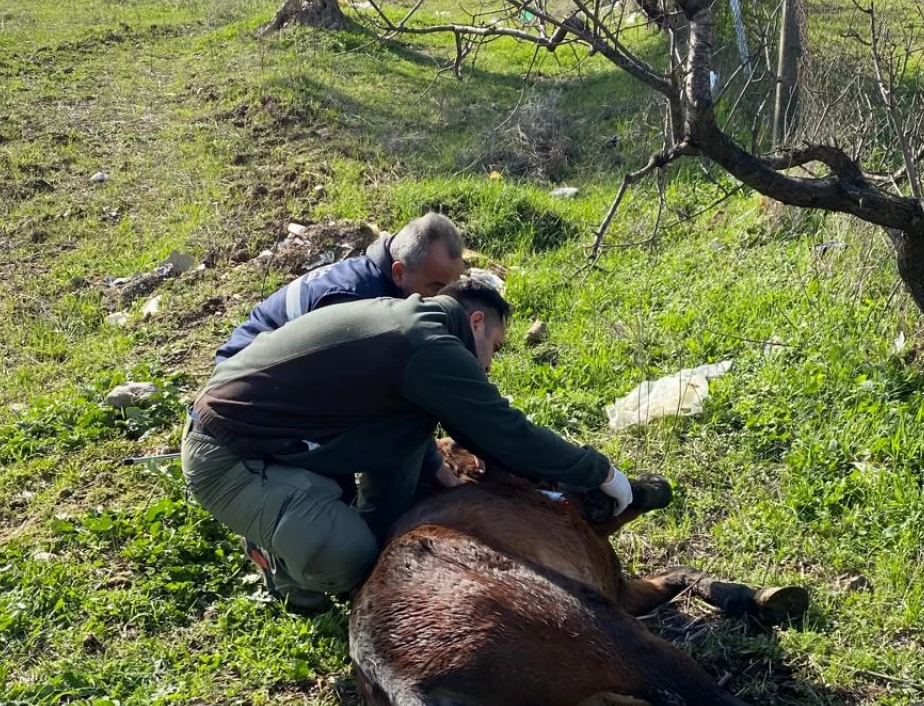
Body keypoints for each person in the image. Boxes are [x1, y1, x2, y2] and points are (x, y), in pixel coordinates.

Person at [183, 277, 633, 610]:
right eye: (494, 347)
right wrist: (601, 473)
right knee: (351, 557)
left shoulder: (410, 323)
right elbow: (505, 432)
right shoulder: (425, 341)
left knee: (391, 487)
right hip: (228, 455)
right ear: (475, 321)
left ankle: (307, 511)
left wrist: (436, 468)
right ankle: (280, 566)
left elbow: (408, 427)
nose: (491, 364)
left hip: (283, 440)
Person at [214, 210, 466, 363]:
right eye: (436, 287)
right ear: (398, 272)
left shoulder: (377, 278)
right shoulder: (357, 299)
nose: (442, 299)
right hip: (242, 378)